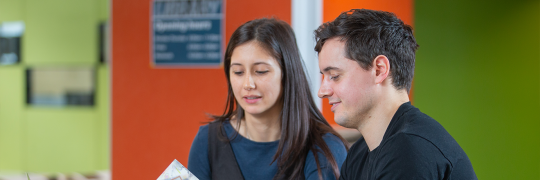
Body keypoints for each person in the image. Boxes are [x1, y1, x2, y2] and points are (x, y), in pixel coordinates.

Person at [314, 9, 477, 179]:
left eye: (334, 76)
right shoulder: (360, 154)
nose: (322, 91)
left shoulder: (410, 150)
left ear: (379, 70)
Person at [188, 18, 348, 180]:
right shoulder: (208, 140)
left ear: (287, 73)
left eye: (261, 71)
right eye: (238, 72)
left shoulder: (323, 146)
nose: (248, 84)